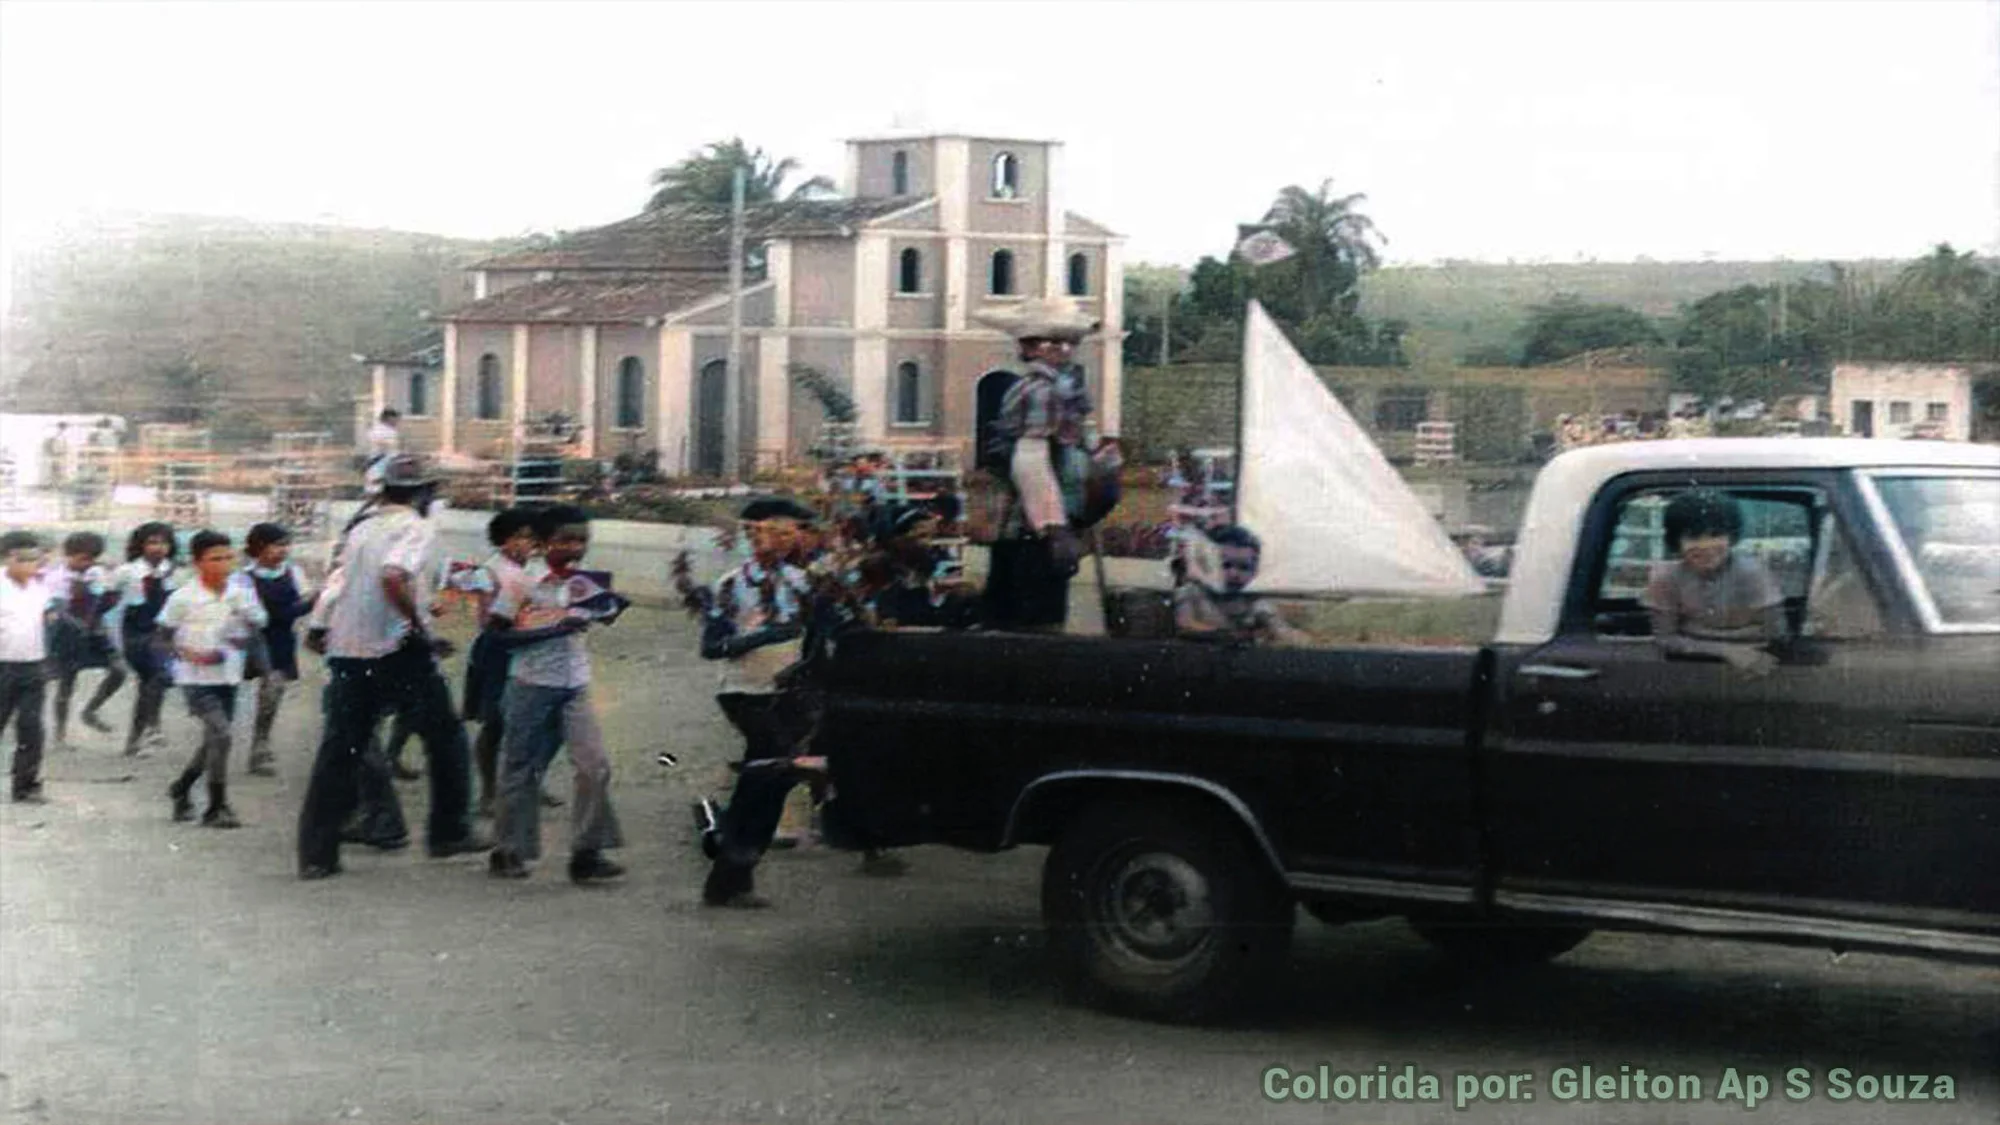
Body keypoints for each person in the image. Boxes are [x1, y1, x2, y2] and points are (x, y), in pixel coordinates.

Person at [296, 454, 487, 880]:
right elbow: (393, 576)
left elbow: (335, 584)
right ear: (423, 493)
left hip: (348, 649)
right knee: (446, 738)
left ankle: (316, 854)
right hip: (398, 647)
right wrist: (422, 628)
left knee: (340, 751)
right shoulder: (415, 528)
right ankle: (449, 831)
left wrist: (318, 626)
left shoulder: (360, 528)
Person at [485, 505, 625, 882]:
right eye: (565, 540)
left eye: (582, 540)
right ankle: (508, 848)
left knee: (594, 766)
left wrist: (612, 608)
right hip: (531, 684)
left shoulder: (582, 582)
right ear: (543, 542)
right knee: (521, 767)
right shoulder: (521, 582)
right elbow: (496, 634)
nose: (576, 547)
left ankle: (586, 851)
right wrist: (553, 630)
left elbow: (601, 614)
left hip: (574, 683)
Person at [699, 496, 818, 908]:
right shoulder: (733, 584)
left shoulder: (802, 582)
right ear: (752, 535)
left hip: (787, 693)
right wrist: (766, 636)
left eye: (791, 533)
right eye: (775, 532)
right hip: (744, 691)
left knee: (774, 780)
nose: (786, 541)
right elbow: (712, 647)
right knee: (770, 771)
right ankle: (728, 864)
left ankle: (734, 867)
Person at [976, 297, 1108, 633]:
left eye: (1070, 342)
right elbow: (1030, 459)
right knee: (1036, 627)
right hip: (1033, 531)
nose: (1065, 350)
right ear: (1030, 347)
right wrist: (1054, 527)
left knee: (1014, 622)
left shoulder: (1055, 390)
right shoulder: (1043, 392)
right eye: (1053, 342)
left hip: (1028, 529)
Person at [159, 531, 267, 827]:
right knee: (222, 735)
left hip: (228, 676)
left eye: (228, 557)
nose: (223, 563)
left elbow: (257, 625)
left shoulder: (241, 593)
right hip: (195, 679)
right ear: (197, 562)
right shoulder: (183, 597)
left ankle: (181, 788)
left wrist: (245, 629)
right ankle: (217, 806)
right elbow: (162, 639)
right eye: (214, 558)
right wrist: (190, 653)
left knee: (214, 741)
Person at [1643, 489, 1786, 677]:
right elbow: (1665, 638)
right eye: (1693, 537)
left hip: (1753, 661)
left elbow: (1777, 633)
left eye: (1716, 534)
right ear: (1676, 541)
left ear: (1731, 536)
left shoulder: (1751, 573)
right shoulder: (1666, 577)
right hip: (1691, 664)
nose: (1705, 546)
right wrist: (1728, 651)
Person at [458, 506, 543, 818]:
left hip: (528, 645)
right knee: (494, 723)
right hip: (497, 648)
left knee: (531, 720)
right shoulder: (490, 570)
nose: (527, 543)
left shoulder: (530, 570)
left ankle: (530, 782)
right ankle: (488, 793)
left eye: (531, 537)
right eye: (520, 537)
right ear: (503, 540)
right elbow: (483, 609)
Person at [238, 523, 316, 777]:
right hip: (249, 641)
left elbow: (303, 602)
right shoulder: (244, 577)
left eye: (286, 545)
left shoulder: (294, 572)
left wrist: (311, 602)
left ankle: (260, 745)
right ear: (259, 547)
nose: (283, 550)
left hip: (281, 641)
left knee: (272, 692)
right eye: (277, 545)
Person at [44, 532, 125, 748]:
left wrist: (111, 591)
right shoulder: (56, 578)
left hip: (95, 632)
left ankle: (90, 710)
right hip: (68, 635)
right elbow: (59, 610)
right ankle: (60, 736)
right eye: (82, 559)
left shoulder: (96, 574)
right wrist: (80, 625)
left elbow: (106, 602)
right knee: (66, 685)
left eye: (91, 559)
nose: (86, 564)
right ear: (68, 555)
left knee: (119, 670)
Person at [108, 522, 179, 757]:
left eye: (164, 542)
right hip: (136, 633)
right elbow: (107, 600)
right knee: (157, 676)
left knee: (151, 683)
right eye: (152, 542)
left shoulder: (175, 571)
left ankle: (135, 740)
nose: (159, 548)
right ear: (141, 545)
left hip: (163, 632)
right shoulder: (127, 572)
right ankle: (152, 727)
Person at [1172, 525, 1304, 646]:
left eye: (1244, 568)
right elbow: (1185, 626)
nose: (1234, 574)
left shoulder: (1254, 603)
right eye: (1225, 565)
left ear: (1255, 571)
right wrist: (1230, 635)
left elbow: (1283, 631)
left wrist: (1290, 636)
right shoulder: (1191, 593)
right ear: (1205, 565)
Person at [0, 531, 53, 803]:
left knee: (32, 728)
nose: (33, 566)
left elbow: (46, 618)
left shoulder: (39, 589)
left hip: (33, 665)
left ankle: (25, 786)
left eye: (36, 560)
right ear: (10, 559)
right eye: (27, 560)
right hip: (2, 666)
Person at [362, 409, 402, 497]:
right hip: (380, 464)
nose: (397, 422)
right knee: (377, 491)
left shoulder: (379, 430)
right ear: (389, 418)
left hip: (381, 464)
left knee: (376, 491)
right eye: (395, 419)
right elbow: (385, 447)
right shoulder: (382, 431)